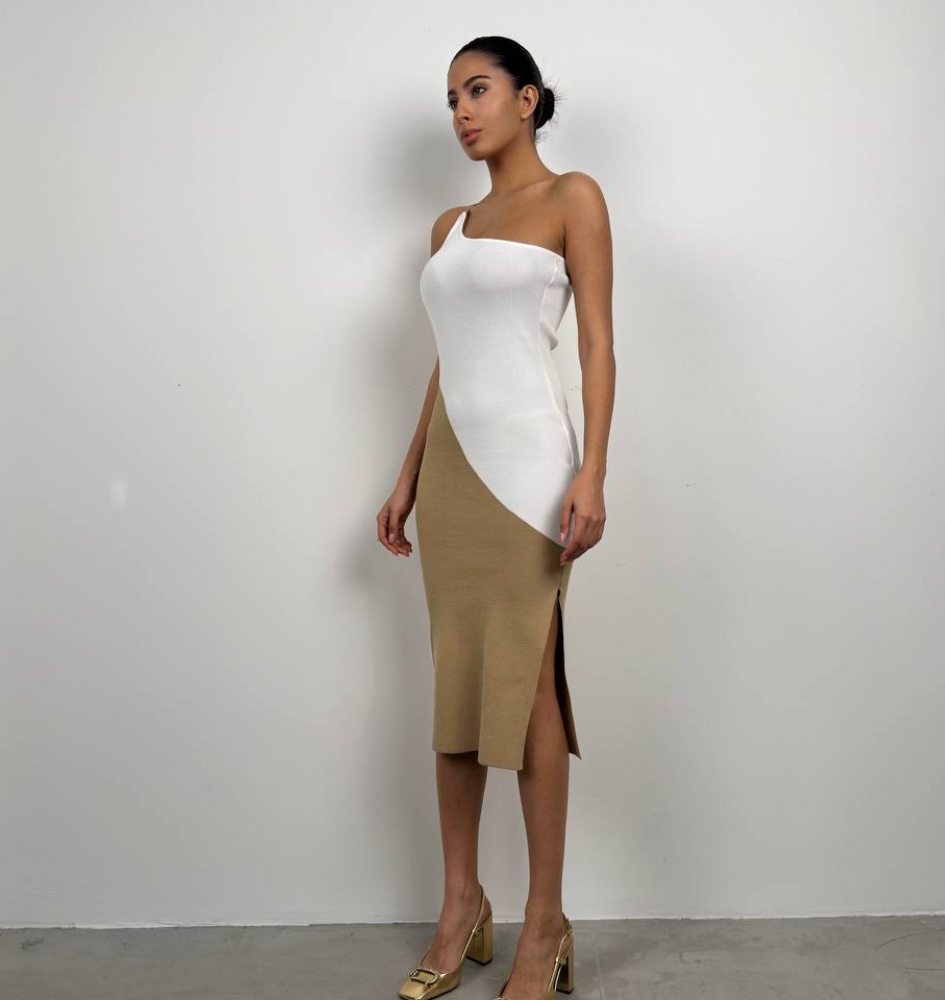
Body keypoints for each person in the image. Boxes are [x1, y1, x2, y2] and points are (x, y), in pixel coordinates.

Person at [377, 35, 615, 1000]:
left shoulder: (573, 198)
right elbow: (451, 360)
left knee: (528, 691)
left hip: (531, 474)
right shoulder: (450, 227)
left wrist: (593, 471)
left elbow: (596, 344)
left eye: (477, 90)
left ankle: (544, 923)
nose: (461, 112)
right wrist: (407, 476)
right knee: (458, 689)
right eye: (450, 99)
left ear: (528, 98)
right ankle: (461, 902)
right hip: (453, 474)